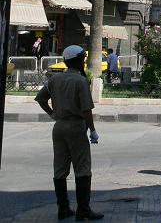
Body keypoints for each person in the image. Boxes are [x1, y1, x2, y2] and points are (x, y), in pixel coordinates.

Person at [35, 44, 103, 221]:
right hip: (76, 128)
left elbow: (41, 98)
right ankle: (83, 210)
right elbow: (87, 109)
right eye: (83, 59)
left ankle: (63, 208)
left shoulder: (55, 80)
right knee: (83, 169)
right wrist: (93, 130)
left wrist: (53, 114)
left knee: (60, 170)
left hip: (58, 128)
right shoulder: (80, 81)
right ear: (79, 60)